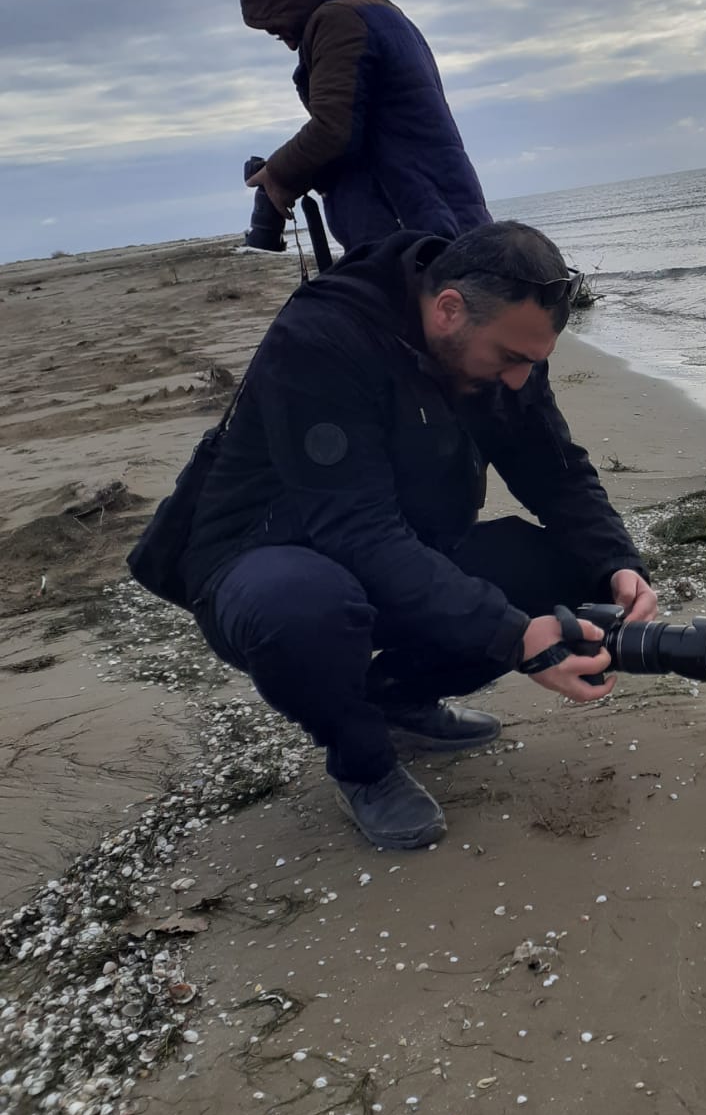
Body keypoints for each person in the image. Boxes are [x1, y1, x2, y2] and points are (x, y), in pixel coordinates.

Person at [177, 220, 658, 849]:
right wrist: (514, 636)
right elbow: (356, 532)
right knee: (307, 606)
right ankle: (363, 764)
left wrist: (619, 564)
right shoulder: (321, 339)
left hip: (395, 545)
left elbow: (556, 470)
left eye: (533, 363)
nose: (520, 379)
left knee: (574, 564)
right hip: (260, 565)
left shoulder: (505, 344)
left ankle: (399, 701)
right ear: (449, 309)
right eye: (511, 359)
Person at [239, 0, 492, 250]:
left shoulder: (340, 19)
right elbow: (363, 129)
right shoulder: (380, 12)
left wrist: (277, 175)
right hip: (441, 209)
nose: (288, 42)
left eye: (276, 27)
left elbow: (333, 130)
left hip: (408, 223)